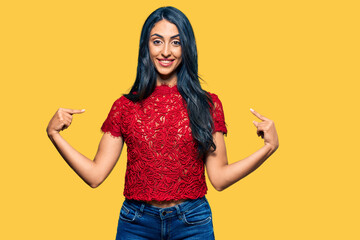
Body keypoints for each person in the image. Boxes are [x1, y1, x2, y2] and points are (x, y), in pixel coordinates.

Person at [46, 6, 279, 240]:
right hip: (136, 222)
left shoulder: (207, 104)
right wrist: (55, 135)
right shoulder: (125, 107)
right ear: (146, 47)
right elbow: (95, 176)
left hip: (192, 222)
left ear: (186, 47)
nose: (166, 51)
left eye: (175, 42)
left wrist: (267, 148)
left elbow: (219, 178)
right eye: (157, 41)